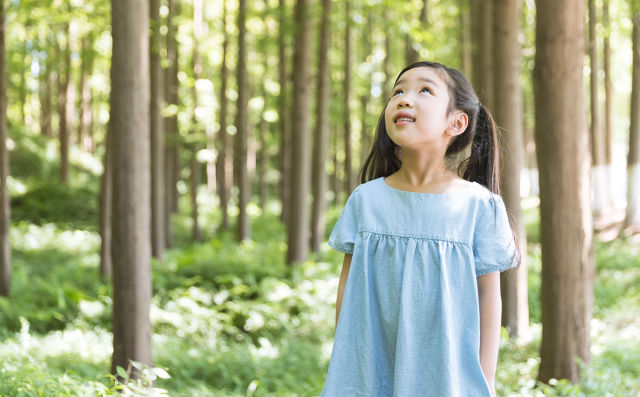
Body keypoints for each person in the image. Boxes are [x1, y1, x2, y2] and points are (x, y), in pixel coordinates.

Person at [320, 61, 520, 397]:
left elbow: (488, 295)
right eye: (397, 91)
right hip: (367, 376)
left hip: (446, 378)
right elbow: (347, 287)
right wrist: (347, 365)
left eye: (424, 90)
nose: (404, 98)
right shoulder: (366, 201)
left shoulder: (478, 205)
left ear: (456, 122)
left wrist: (485, 378)